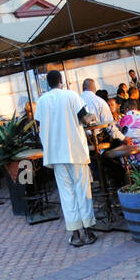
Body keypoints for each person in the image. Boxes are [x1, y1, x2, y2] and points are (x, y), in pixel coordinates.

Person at [36, 70, 97, 248]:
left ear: (48, 83)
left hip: (56, 154)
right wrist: (92, 116)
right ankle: (88, 231)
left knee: (66, 193)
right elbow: (85, 119)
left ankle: (75, 234)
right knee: (82, 191)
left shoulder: (42, 101)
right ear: (61, 81)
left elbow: (39, 126)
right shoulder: (71, 95)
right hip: (75, 151)